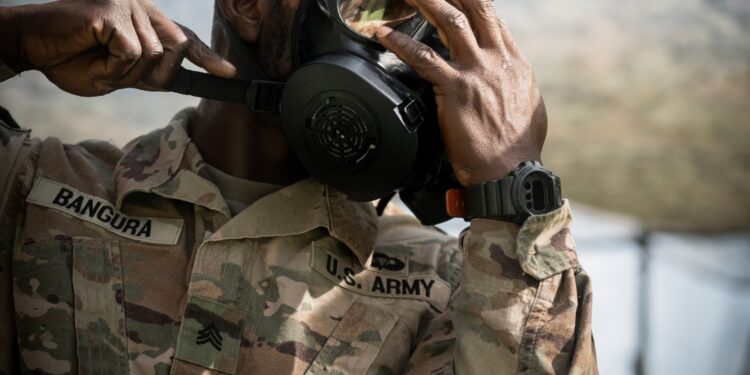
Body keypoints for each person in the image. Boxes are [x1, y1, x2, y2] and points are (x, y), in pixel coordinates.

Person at [0, 0, 597, 373]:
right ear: (249, 6)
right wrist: (14, 38)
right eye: (373, 5)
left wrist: (511, 189)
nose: (406, 50)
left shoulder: (447, 282)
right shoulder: (31, 188)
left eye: (426, 24)